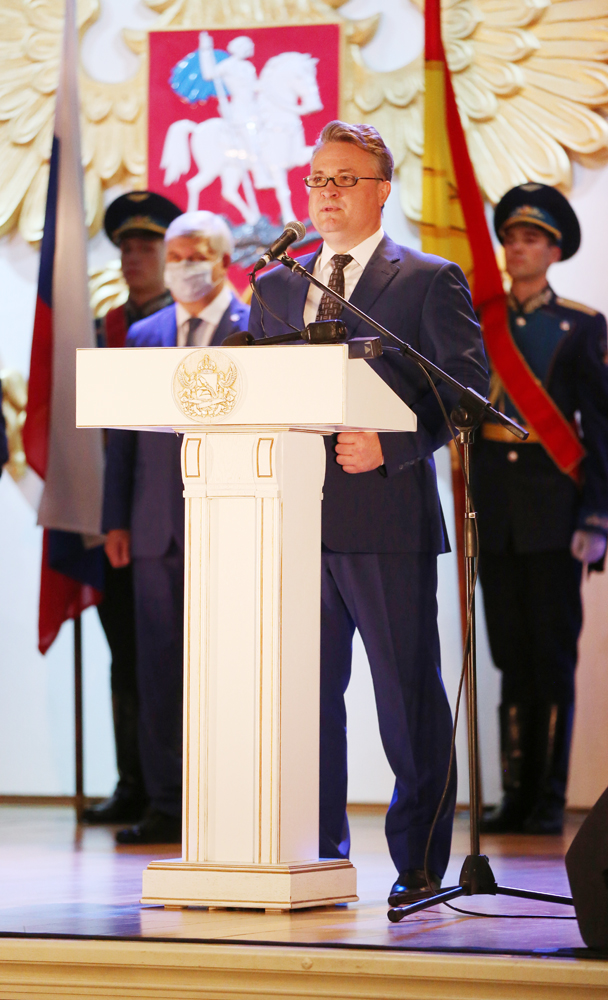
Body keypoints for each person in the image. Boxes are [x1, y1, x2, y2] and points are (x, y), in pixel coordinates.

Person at [248, 121, 488, 905]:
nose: (327, 193)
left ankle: (418, 864)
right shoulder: (275, 285)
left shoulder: (427, 278)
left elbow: (464, 392)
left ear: (382, 188)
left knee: (405, 698)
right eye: (318, 179)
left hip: (386, 520)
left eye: (345, 179)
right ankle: (317, 855)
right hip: (292, 520)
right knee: (306, 703)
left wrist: (393, 444)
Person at [103, 210, 250, 845]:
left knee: (232, 671)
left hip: (235, 526)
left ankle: (233, 802)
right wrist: (115, 520)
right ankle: (167, 803)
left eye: (197, 256)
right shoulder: (145, 334)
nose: (184, 268)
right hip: (155, 529)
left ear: (223, 261)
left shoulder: (257, 328)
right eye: (176, 257)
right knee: (158, 671)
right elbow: (124, 439)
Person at [475, 184, 608, 836]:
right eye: (510, 237)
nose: (517, 248)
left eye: (531, 239)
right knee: (509, 654)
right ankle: (515, 795)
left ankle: (548, 799)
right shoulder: (479, 320)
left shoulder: (581, 325)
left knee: (551, 655)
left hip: (555, 509)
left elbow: (601, 429)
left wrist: (597, 517)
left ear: (554, 251)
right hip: (494, 510)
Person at [83, 191, 182, 826]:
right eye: (127, 247)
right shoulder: (104, 332)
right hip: (122, 520)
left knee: (177, 660)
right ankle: (135, 784)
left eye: (148, 246)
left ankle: (180, 787)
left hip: (180, 519)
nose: (134, 257)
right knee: (127, 654)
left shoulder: (189, 325)